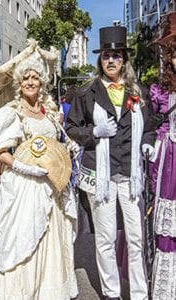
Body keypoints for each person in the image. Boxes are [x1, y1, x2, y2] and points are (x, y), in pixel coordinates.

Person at [0, 40, 78, 299]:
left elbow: (57, 142)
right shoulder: (12, 112)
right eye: (26, 78)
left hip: (51, 185)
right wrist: (24, 166)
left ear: (43, 81)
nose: (31, 82)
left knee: (50, 238)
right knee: (24, 241)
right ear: (19, 83)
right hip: (24, 186)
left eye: (35, 77)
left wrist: (69, 148)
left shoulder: (49, 112)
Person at [66, 26, 155, 300]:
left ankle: (139, 294)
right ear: (100, 60)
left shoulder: (137, 91)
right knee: (105, 239)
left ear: (124, 60)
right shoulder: (86, 92)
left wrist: (147, 142)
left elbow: (149, 126)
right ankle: (112, 292)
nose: (112, 61)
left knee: (136, 238)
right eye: (107, 56)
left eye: (117, 55)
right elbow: (71, 128)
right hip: (100, 175)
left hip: (131, 174)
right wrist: (93, 132)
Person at [148, 13, 176, 300]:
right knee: (171, 223)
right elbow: (155, 124)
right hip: (172, 161)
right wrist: (154, 146)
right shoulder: (161, 90)